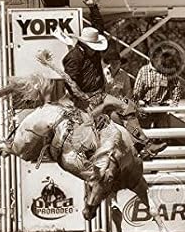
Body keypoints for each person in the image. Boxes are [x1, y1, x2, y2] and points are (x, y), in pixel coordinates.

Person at [62, 25, 166, 158]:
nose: (96, 50)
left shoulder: (91, 53)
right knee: (116, 116)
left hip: (99, 95)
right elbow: (69, 81)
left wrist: (93, 8)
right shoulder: (74, 57)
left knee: (126, 108)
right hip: (85, 99)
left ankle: (144, 144)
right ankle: (140, 146)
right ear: (85, 44)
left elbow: (99, 28)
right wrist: (81, 99)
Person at [133, 51, 181, 128]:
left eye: (160, 58)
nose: (159, 60)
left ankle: (161, 140)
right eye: (157, 58)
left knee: (162, 135)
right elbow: (136, 90)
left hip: (162, 108)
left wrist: (174, 102)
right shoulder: (143, 71)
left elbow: (176, 86)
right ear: (151, 58)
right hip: (146, 107)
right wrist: (138, 104)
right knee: (143, 134)